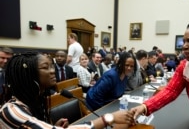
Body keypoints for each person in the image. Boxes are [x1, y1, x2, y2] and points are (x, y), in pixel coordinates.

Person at [0, 52, 135, 129]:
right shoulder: (11, 110)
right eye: (45, 67)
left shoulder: (37, 102)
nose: (52, 71)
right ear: (29, 75)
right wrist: (107, 118)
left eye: (52, 66)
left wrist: (53, 125)